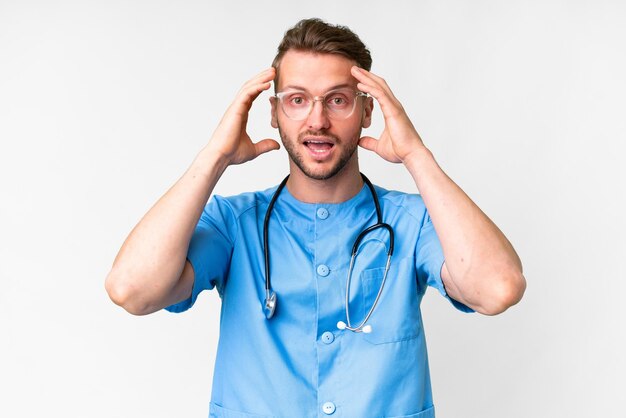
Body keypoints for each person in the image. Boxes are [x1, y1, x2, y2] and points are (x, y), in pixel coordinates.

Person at [105, 18, 526, 418]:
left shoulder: (411, 222)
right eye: (298, 100)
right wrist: (212, 159)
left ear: (367, 112)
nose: (318, 120)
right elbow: (131, 290)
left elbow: (497, 289)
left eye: (338, 100)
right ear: (274, 113)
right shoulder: (234, 223)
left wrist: (418, 157)